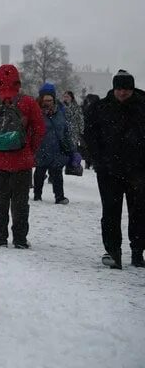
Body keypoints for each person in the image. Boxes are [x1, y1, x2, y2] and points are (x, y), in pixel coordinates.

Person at [0, 64, 46, 249]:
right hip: (22, 159)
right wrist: (30, 149)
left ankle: (0, 236)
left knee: (0, 199)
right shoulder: (28, 102)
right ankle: (20, 238)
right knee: (20, 201)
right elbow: (40, 129)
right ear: (18, 82)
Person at [83, 70, 145, 269]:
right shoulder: (101, 108)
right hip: (109, 169)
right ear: (114, 88)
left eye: (126, 89)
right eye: (119, 89)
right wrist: (97, 159)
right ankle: (113, 252)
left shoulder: (142, 106)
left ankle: (137, 251)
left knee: (139, 212)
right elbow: (90, 136)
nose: (122, 93)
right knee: (111, 211)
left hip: (138, 169)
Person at [33, 84, 72, 204]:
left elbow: (65, 129)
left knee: (57, 174)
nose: (48, 103)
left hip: (56, 148)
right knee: (40, 172)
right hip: (41, 148)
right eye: (45, 100)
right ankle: (37, 194)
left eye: (50, 100)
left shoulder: (61, 111)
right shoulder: (35, 111)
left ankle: (59, 196)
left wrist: (70, 146)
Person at [60, 89, 85, 165]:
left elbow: (80, 119)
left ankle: (72, 162)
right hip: (63, 130)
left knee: (73, 147)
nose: (65, 98)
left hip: (74, 131)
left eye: (67, 97)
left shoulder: (76, 107)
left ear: (71, 97)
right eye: (64, 97)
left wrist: (81, 131)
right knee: (63, 146)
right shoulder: (60, 107)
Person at [81, 92, 100, 169]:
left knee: (89, 148)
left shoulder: (95, 108)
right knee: (88, 147)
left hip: (91, 130)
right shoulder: (97, 107)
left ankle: (90, 162)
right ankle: (90, 162)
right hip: (88, 130)